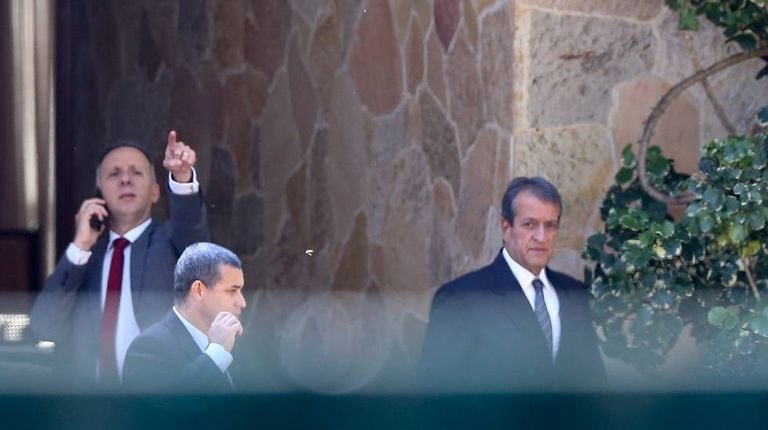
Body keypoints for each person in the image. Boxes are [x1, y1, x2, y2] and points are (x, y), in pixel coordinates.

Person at [30, 131, 209, 389]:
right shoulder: (85, 258)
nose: (125, 179)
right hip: (93, 405)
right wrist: (80, 246)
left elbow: (194, 236)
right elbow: (45, 326)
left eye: (136, 172)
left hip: (158, 402)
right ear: (100, 194)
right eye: (114, 174)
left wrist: (182, 178)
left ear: (155, 192)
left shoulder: (172, 242)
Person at [419, 176, 606, 391]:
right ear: (506, 227)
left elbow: (595, 385)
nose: (541, 237)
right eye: (529, 224)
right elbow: (434, 396)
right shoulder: (460, 299)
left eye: (550, 225)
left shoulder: (574, 294)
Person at [122, 242, 246, 392]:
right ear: (199, 290)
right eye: (232, 291)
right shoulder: (147, 348)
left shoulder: (234, 343)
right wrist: (217, 352)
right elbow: (175, 403)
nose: (242, 302)